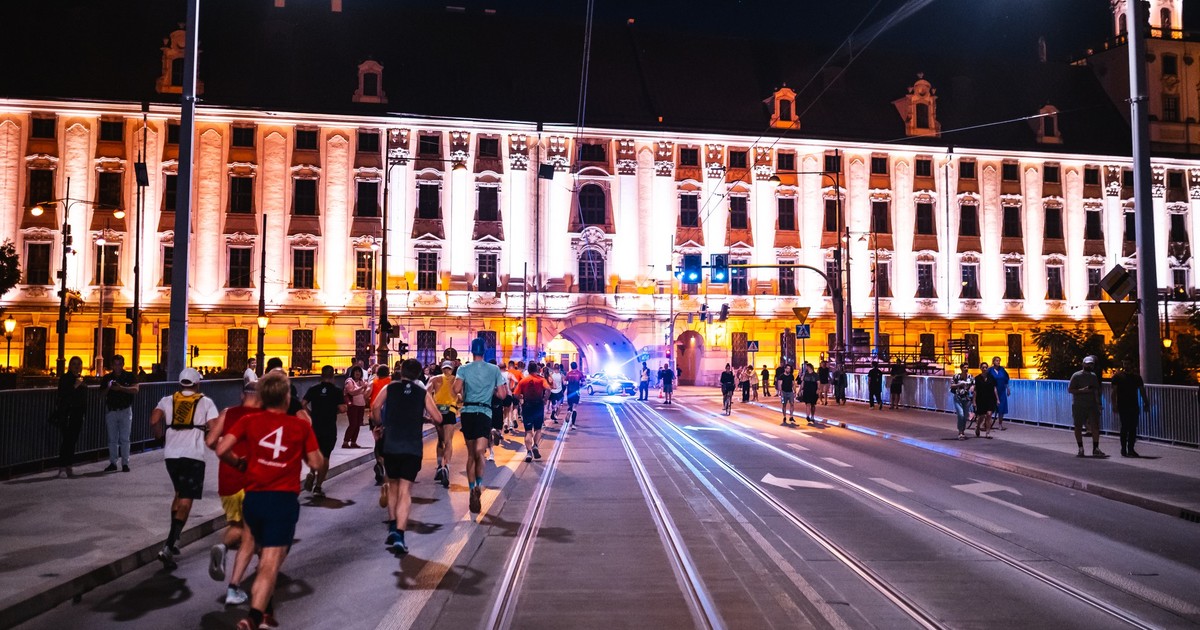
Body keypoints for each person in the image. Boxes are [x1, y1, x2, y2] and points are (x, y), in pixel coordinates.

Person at [216, 371, 324, 630]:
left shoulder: (249, 421)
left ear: (263, 398)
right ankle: (255, 617)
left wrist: (239, 463)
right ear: (287, 398)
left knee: (261, 551)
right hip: (282, 501)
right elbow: (317, 463)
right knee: (269, 563)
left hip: (253, 499)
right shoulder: (300, 426)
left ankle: (266, 609)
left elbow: (221, 449)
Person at [369, 359, 442, 555]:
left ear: (401, 372)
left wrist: (379, 424)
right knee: (405, 490)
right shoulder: (422, 393)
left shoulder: (390, 388)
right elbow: (438, 418)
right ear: (419, 375)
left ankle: (393, 527)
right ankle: (400, 534)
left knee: (392, 486)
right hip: (412, 446)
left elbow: (375, 406)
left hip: (391, 444)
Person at [150, 367, 221, 568]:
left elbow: (154, 419)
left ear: (180, 383)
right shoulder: (205, 402)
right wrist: (210, 440)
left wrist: (159, 436)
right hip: (193, 456)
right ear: (197, 384)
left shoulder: (167, 400)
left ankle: (173, 540)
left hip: (171, 455)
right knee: (186, 500)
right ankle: (169, 544)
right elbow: (215, 428)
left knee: (179, 494)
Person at [203, 381, 259, 606]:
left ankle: (223, 546)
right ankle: (238, 583)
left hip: (227, 479)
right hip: (251, 479)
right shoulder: (262, 416)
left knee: (237, 526)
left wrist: (229, 450)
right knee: (252, 531)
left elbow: (210, 441)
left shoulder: (227, 412)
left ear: (242, 394)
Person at [457, 339, 510, 513]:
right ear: (485, 352)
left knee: (470, 454)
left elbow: (455, 389)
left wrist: (463, 391)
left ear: (472, 351)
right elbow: (503, 395)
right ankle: (479, 485)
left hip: (468, 412)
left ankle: (472, 487)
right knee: (480, 452)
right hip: (485, 412)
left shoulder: (463, 369)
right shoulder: (494, 369)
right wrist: (491, 389)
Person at [302, 365, 346, 498]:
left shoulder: (313, 389)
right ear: (333, 376)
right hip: (329, 427)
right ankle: (318, 486)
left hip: (315, 426)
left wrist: (310, 413)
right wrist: (337, 411)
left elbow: (303, 403)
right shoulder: (337, 391)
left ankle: (311, 472)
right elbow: (342, 408)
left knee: (316, 451)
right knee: (326, 456)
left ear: (321, 375)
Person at [100, 355, 139, 473]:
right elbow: (101, 394)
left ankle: (125, 463)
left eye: (119, 364)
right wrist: (109, 387)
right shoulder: (107, 378)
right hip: (111, 410)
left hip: (125, 409)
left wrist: (121, 388)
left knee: (124, 438)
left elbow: (136, 389)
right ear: (112, 365)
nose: (117, 367)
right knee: (112, 439)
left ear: (123, 365)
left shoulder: (129, 376)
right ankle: (113, 462)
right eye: (115, 364)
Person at [428, 360, 463, 488]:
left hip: (438, 411)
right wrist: (458, 397)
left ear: (442, 368)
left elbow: (426, 392)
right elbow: (463, 396)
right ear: (452, 369)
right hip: (450, 410)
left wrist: (430, 408)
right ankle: (445, 466)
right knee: (448, 441)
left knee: (440, 440)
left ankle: (438, 465)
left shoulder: (434, 379)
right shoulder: (457, 380)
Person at [1067, 355, 1107, 458]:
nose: (1090, 366)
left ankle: (1096, 448)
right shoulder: (1076, 375)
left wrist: (1098, 403)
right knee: (1078, 426)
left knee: (1095, 426)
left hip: (1091, 404)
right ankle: (1080, 448)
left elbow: (1096, 391)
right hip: (1079, 404)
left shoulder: (1093, 376)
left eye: (1091, 364)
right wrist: (1083, 390)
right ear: (1083, 364)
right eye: (1088, 364)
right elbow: (1070, 390)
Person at [55, 356, 87, 478]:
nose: (77, 366)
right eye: (74, 364)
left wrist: (84, 413)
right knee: (67, 441)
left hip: (78, 414)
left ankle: (69, 465)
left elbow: (83, 399)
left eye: (79, 364)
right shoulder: (65, 378)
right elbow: (63, 394)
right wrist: (75, 385)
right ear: (69, 366)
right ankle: (62, 467)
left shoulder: (80, 379)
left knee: (73, 441)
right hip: (68, 414)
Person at [1111, 357, 1148, 458]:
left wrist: (1146, 402)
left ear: (1131, 364)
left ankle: (1130, 448)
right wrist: (1114, 405)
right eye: (1125, 363)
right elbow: (1114, 392)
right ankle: (1124, 448)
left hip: (1133, 404)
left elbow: (1142, 390)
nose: (1126, 366)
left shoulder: (1136, 377)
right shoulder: (1118, 377)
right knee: (1125, 426)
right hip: (1123, 404)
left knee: (1133, 427)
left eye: (1128, 364)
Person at [514, 362, 551, 462]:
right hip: (538, 405)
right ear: (537, 370)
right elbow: (548, 389)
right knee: (538, 429)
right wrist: (545, 399)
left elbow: (516, 394)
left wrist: (521, 398)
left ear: (528, 370)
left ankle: (529, 452)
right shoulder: (541, 379)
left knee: (528, 431)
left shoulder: (523, 381)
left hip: (527, 406)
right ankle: (535, 445)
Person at [342, 365, 368, 448]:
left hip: (361, 405)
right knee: (353, 424)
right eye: (356, 371)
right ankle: (345, 442)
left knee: (358, 424)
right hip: (353, 406)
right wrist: (362, 388)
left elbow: (365, 392)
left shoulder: (361, 381)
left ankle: (353, 442)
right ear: (352, 372)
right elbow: (351, 392)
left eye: (359, 372)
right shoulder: (349, 381)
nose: (358, 373)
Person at [973, 362, 998, 438]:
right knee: (981, 416)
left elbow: (994, 389)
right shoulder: (977, 378)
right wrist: (974, 401)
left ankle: (988, 433)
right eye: (983, 367)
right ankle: (977, 426)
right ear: (980, 368)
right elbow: (975, 390)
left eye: (986, 367)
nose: (984, 369)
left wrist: (997, 399)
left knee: (989, 415)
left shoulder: (991, 377)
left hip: (990, 398)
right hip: (981, 399)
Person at [950, 363, 974, 440]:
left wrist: (972, 389)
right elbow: (951, 385)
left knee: (965, 416)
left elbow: (973, 385)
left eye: (967, 367)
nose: (966, 369)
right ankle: (960, 432)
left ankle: (962, 431)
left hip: (967, 399)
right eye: (964, 367)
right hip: (958, 398)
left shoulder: (970, 377)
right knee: (961, 415)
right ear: (961, 368)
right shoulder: (956, 376)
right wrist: (959, 384)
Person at [989, 357, 1011, 430]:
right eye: (997, 361)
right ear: (993, 362)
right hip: (992, 391)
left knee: (1001, 408)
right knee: (991, 407)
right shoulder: (990, 370)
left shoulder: (1002, 370)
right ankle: (987, 422)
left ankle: (1000, 424)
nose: (998, 362)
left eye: (999, 361)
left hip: (1001, 391)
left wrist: (1008, 388)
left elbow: (1006, 379)